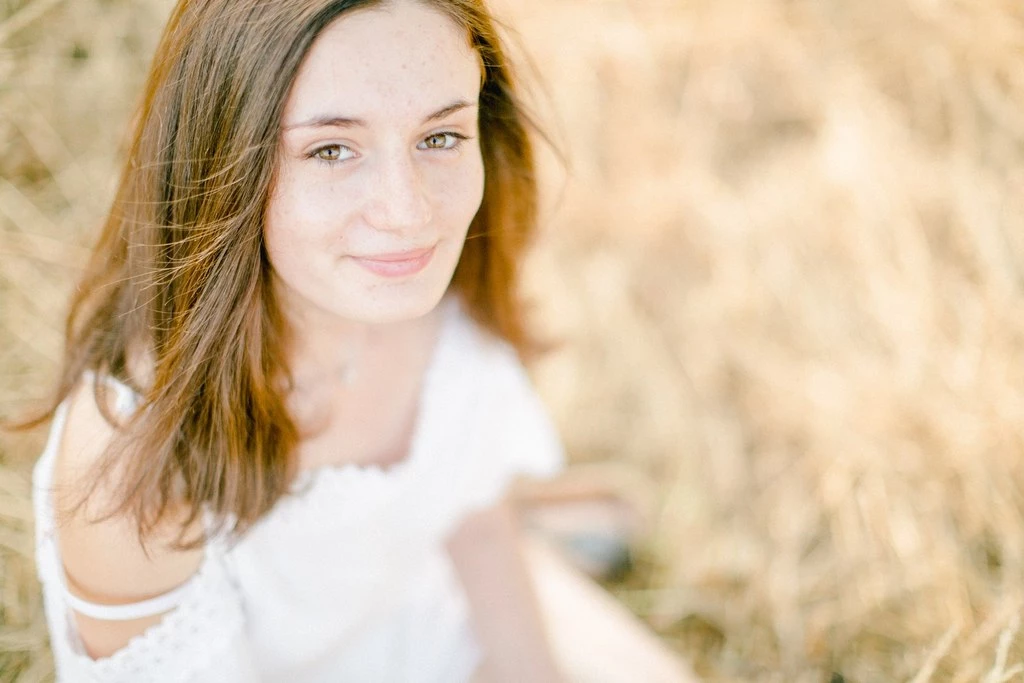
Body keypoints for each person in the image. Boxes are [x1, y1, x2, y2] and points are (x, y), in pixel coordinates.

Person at [26, 0, 696, 681]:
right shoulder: (135, 465)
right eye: (331, 149)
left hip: (425, 613)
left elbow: (473, 518)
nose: (409, 214)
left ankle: (555, 525)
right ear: (220, 166)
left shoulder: (438, 299)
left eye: (440, 137)